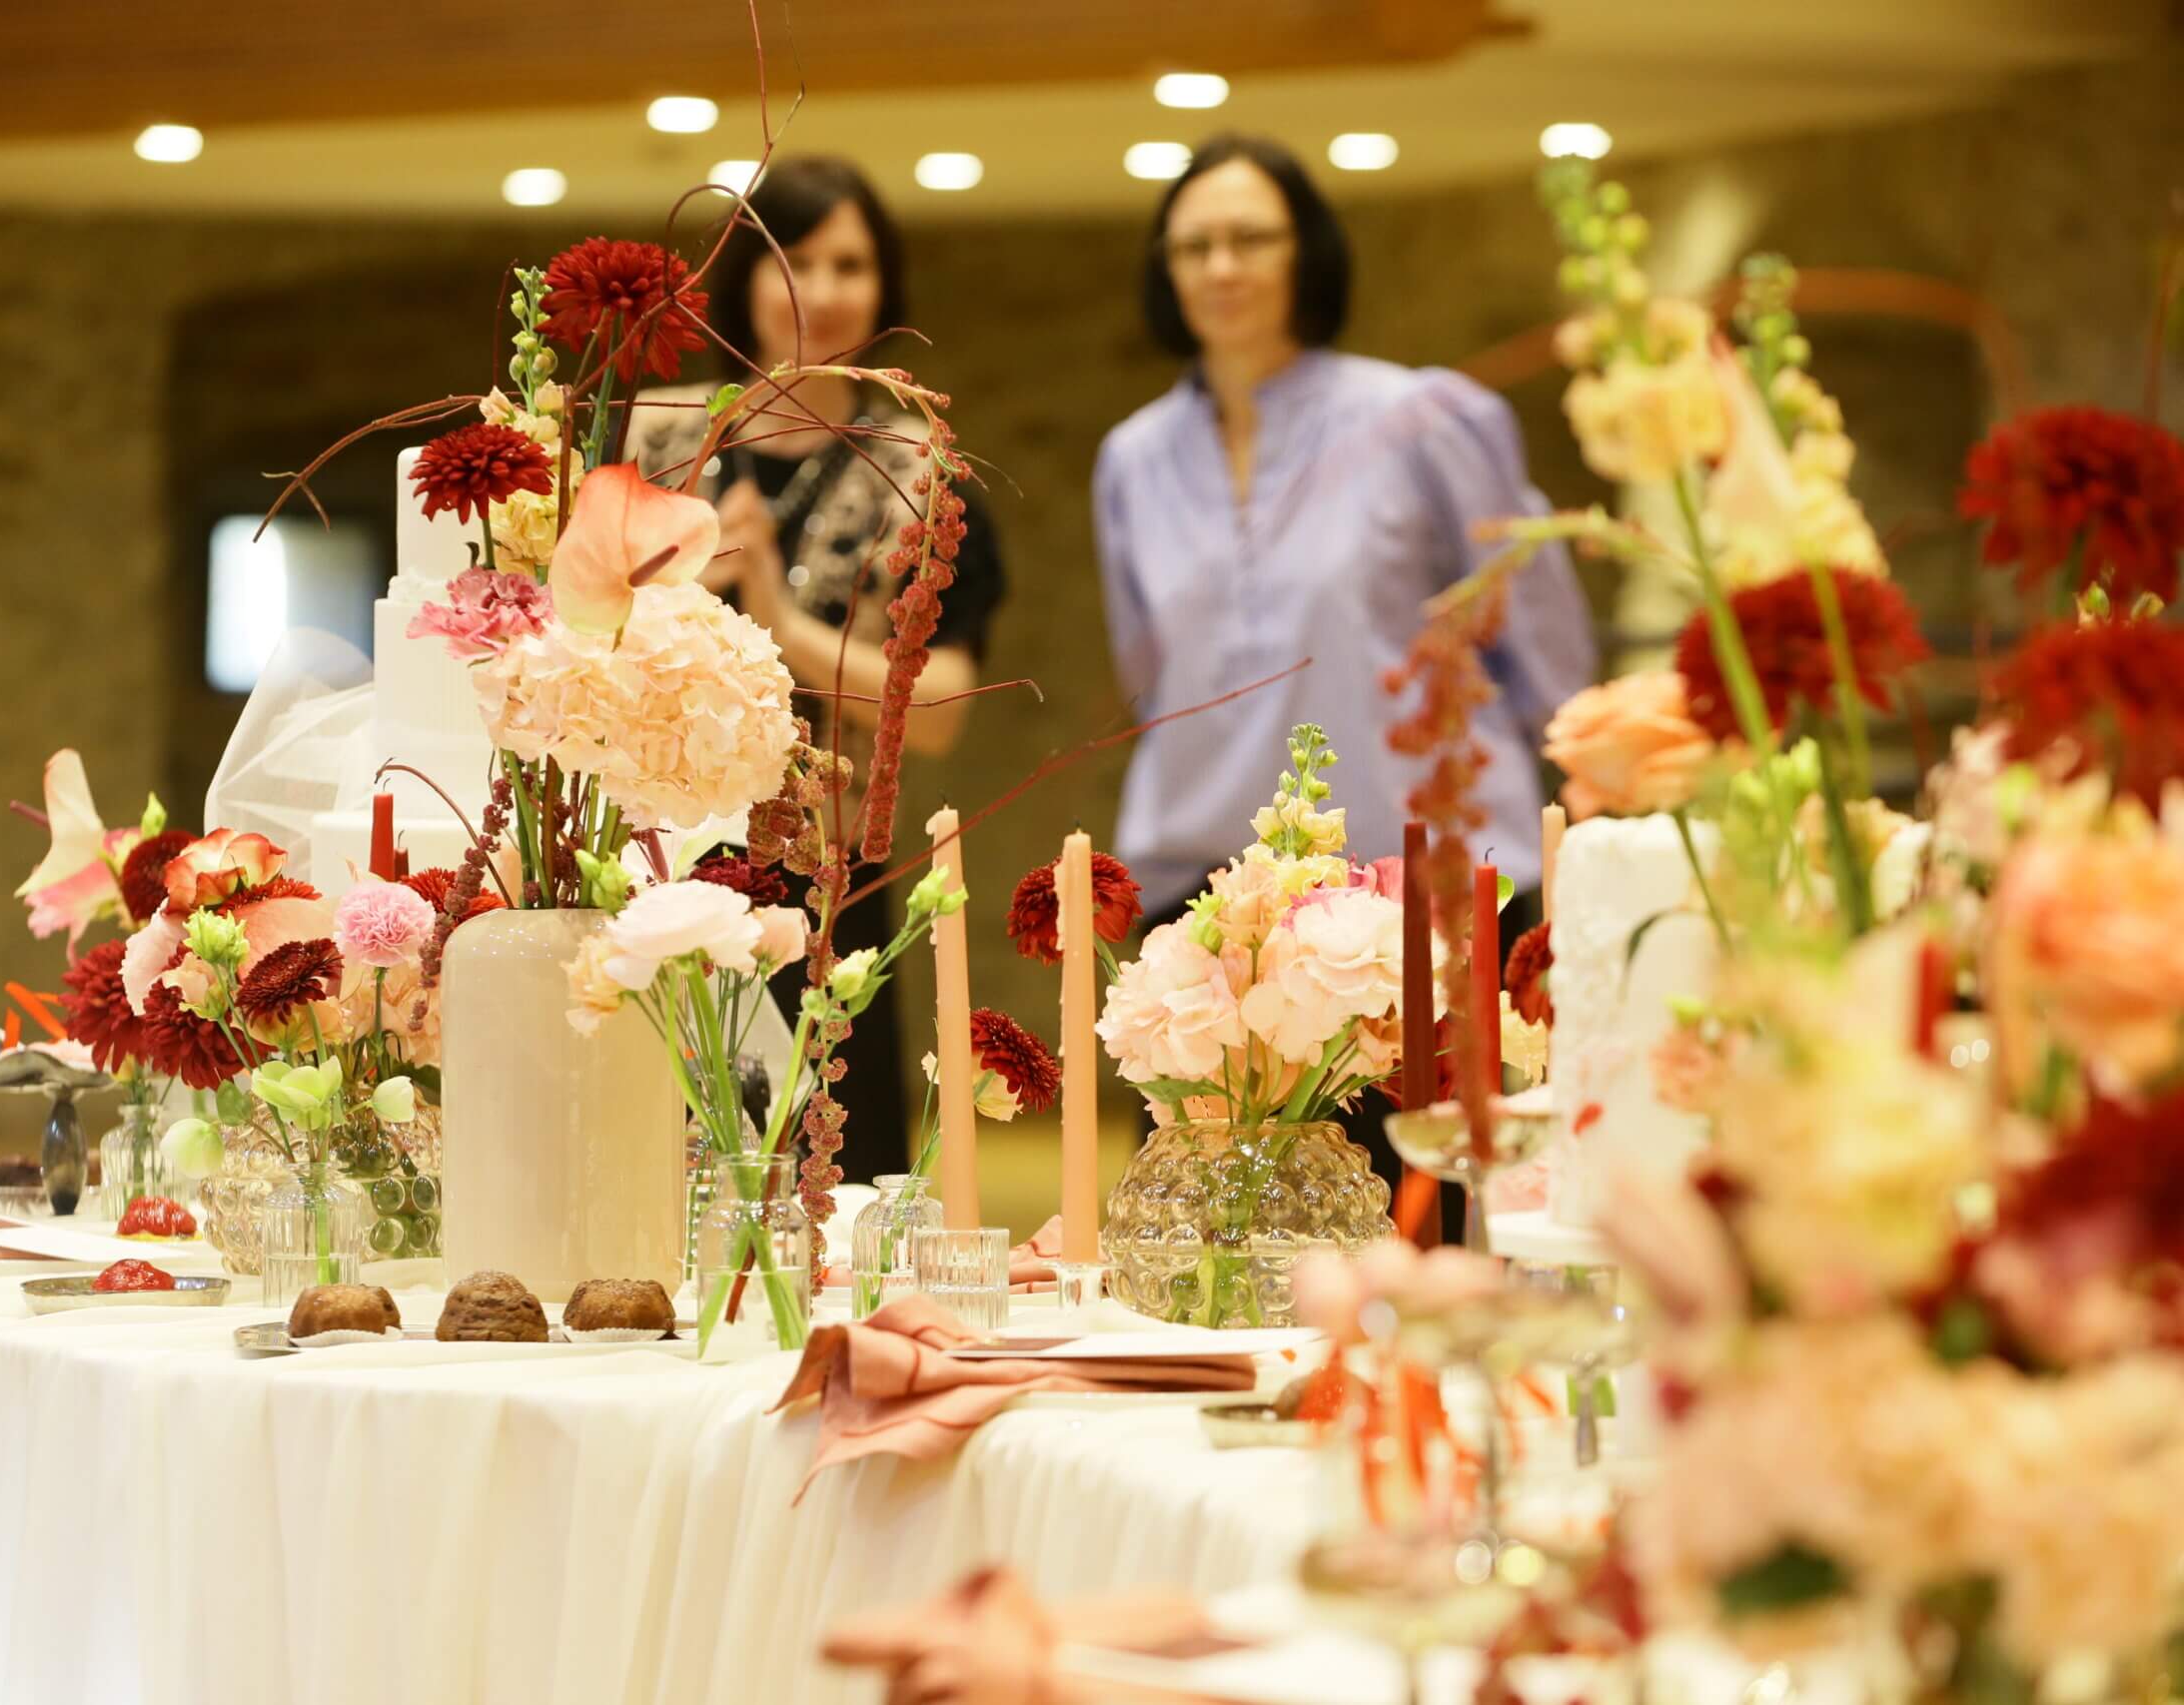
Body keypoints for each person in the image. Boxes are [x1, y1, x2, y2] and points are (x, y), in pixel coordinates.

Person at [1093, 136, 1594, 1221]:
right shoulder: (1130, 458)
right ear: (1164, 269)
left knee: (1441, 1233)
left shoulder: (1425, 416)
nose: (1221, 266)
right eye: (1194, 245)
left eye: (1250, 239)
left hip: (1428, 886)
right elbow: (1149, 668)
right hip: (1211, 899)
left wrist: (1581, 815)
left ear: (1304, 253)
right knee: (1221, 1245)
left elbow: (1538, 637)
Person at [630, 155, 1008, 1181]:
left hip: (829, 875)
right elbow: (594, 641)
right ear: (748, 276)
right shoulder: (661, 437)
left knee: (827, 1167)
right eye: (794, 262)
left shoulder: (921, 468)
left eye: (850, 263)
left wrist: (775, 614)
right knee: (658, 1153)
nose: (824, 291)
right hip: (661, 858)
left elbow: (935, 712)